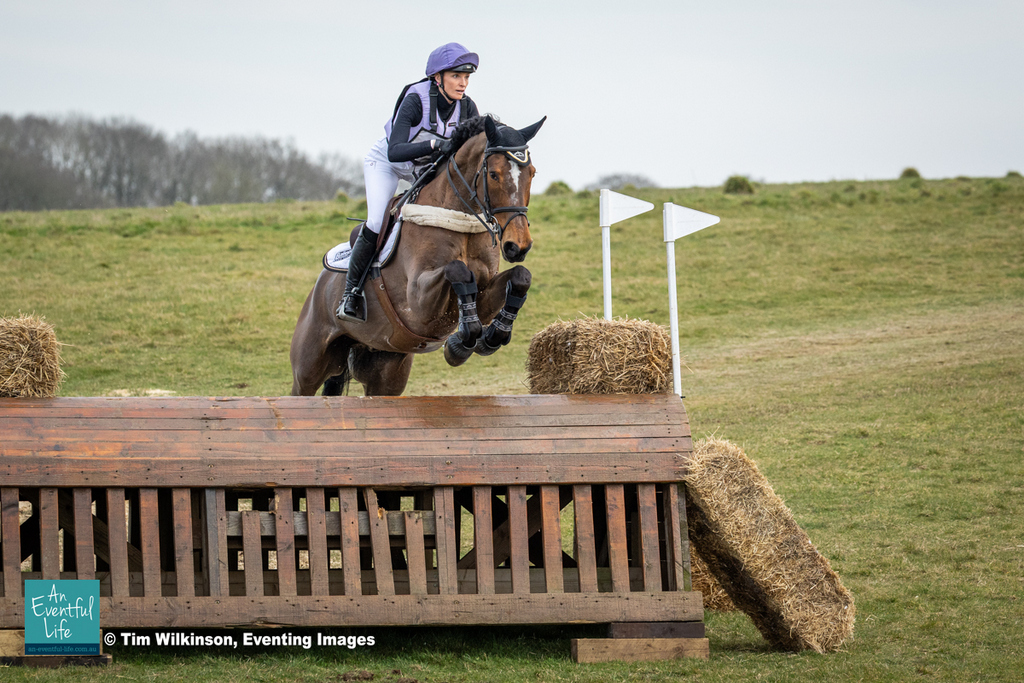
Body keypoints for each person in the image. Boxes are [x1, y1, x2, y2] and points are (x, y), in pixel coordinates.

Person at [337, 42, 481, 322]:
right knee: (378, 221)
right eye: (456, 76)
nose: (463, 84)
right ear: (437, 78)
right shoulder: (415, 99)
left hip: (422, 170)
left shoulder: (467, 108)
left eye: (466, 77)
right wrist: (434, 144)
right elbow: (395, 150)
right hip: (387, 165)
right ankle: (351, 294)